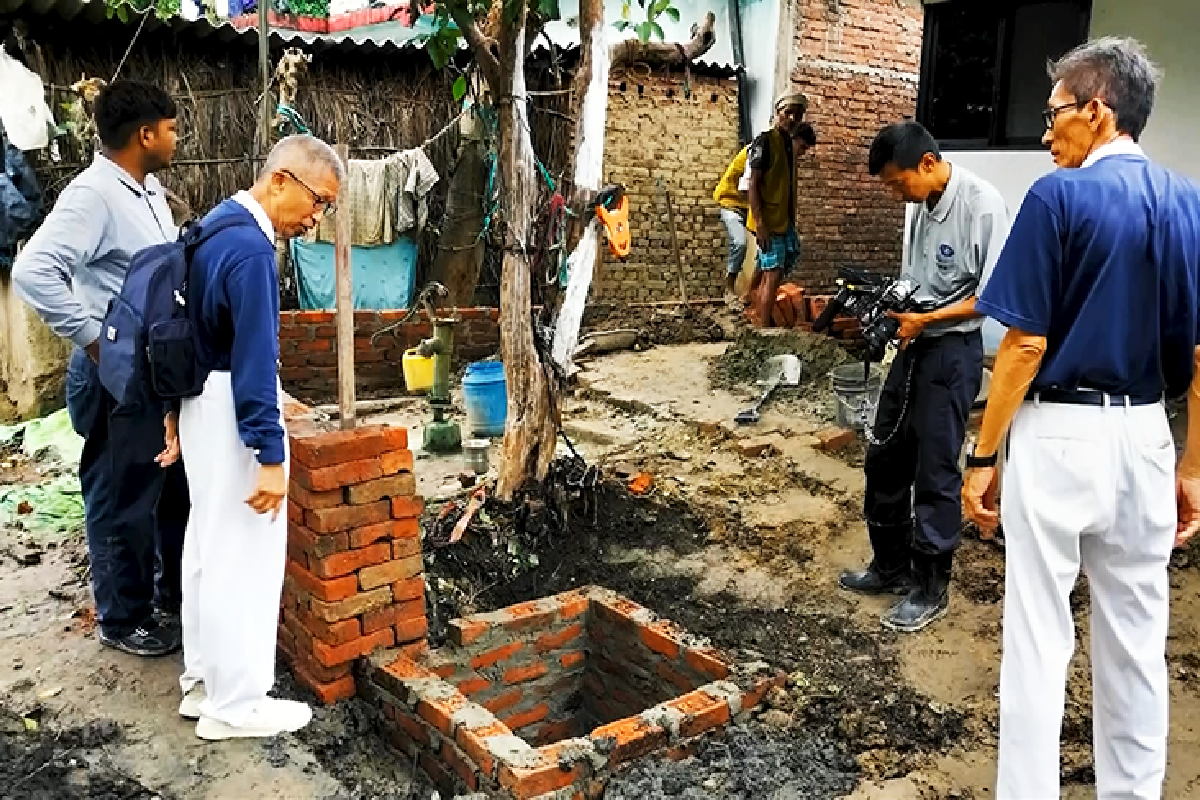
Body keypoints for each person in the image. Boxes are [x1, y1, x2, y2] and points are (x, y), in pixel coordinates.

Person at [962, 37, 1200, 799]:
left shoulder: (1057, 198)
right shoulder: (1189, 203)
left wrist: (982, 453)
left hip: (1061, 434)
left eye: (1055, 113)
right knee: (1136, 643)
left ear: (1097, 111)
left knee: (1038, 639)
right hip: (1145, 435)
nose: (1044, 132)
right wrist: (1191, 467)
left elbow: (1024, 343)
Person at [172, 134, 343, 740]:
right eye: (319, 200)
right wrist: (271, 455)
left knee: (208, 546)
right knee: (244, 557)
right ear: (281, 182)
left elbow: (184, 326)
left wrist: (174, 410)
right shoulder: (250, 251)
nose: (317, 217)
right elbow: (254, 365)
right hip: (231, 409)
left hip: (200, 401)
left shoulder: (214, 225)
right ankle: (237, 704)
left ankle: (204, 682)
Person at [12, 80, 186, 657]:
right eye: (169, 127)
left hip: (148, 369)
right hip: (112, 369)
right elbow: (34, 270)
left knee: (160, 489)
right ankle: (121, 619)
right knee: (119, 495)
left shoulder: (148, 190)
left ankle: (160, 596)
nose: (176, 137)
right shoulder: (93, 196)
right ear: (144, 135)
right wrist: (91, 339)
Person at [839, 120, 1009, 633]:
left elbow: (993, 296)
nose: (896, 195)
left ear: (928, 164)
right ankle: (889, 565)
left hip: (953, 352)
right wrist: (894, 312)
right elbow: (914, 279)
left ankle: (930, 587)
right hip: (913, 346)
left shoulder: (982, 205)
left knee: (935, 469)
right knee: (885, 455)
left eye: (897, 183)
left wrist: (927, 320)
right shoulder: (920, 206)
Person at [715, 121, 817, 309]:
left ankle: (749, 295)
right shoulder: (761, 150)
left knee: (766, 253)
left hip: (752, 207)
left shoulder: (785, 158)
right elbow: (749, 187)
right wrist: (761, 221)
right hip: (731, 202)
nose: (802, 153)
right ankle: (729, 288)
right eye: (801, 147)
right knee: (740, 243)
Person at [746, 95, 813, 326]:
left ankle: (756, 311)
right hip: (769, 221)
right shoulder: (764, 141)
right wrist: (760, 224)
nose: (793, 118)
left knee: (777, 269)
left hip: (783, 221)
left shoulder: (788, 144)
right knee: (772, 276)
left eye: (798, 115)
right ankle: (763, 328)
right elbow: (753, 183)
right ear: (778, 111)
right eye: (788, 113)